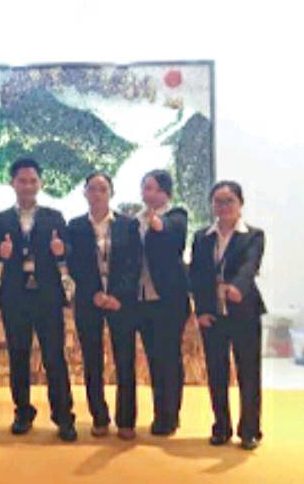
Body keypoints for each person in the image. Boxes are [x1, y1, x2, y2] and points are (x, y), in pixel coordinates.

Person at [0, 157, 77, 442]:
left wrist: (61, 250)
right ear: (12, 183)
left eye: (32, 181)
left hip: (47, 297)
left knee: (54, 358)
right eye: (22, 180)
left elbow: (69, 251)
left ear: (40, 183)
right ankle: (23, 412)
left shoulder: (54, 217)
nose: (27, 186)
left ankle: (63, 416)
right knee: (18, 356)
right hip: (15, 297)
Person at [190, 181, 265, 450]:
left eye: (229, 201)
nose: (223, 207)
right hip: (212, 314)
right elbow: (196, 276)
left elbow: (249, 266)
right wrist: (200, 311)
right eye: (218, 202)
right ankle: (221, 427)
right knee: (217, 372)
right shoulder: (201, 237)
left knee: (249, 372)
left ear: (240, 204)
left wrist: (237, 288)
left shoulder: (253, 235)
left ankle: (250, 430)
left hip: (244, 312)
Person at [67, 172, 143, 439]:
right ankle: (99, 417)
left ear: (111, 192)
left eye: (102, 188)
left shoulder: (128, 225)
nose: (97, 194)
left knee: (125, 360)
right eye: (92, 189)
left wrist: (117, 294)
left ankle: (126, 420)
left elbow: (134, 264)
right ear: (84, 193)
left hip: (122, 302)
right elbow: (75, 264)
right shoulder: (75, 226)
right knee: (92, 360)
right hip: (89, 301)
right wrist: (95, 293)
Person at [136, 169, 190, 436]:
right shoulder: (136, 220)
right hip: (143, 299)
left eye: (152, 188)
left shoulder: (176, 215)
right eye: (144, 187)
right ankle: (160, 413)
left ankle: (170, 415)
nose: (146, 193)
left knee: (170, 358)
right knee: (154, 359)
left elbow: (171, 233)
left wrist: (156, 223)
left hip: (169, 300)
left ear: (165, 193)